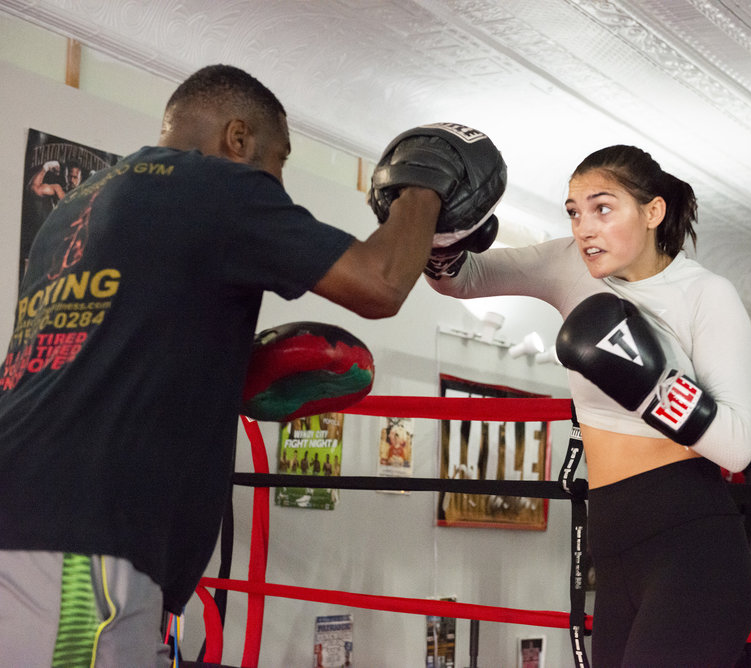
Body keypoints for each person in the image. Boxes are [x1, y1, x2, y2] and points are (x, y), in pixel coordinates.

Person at [0, 64, 501, 666]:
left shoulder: (78, 207)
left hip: (40, 523)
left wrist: (228, 376)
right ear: (237, 139)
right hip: (81, 539)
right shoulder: (213, 184)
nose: (280, 183)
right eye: (280, 161)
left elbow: (100, 358)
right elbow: (381, 284)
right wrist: (426, 182)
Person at [428, 144, 751, 666]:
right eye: (575, 212)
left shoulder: (706, 295)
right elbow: (461, 278)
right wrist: (436, 226)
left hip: (691, 547)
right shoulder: (570, 265)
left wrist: (650, 386)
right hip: (616, 547)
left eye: (603, 209)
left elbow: (737, 448)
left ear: (653, 212)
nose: (584, 228)